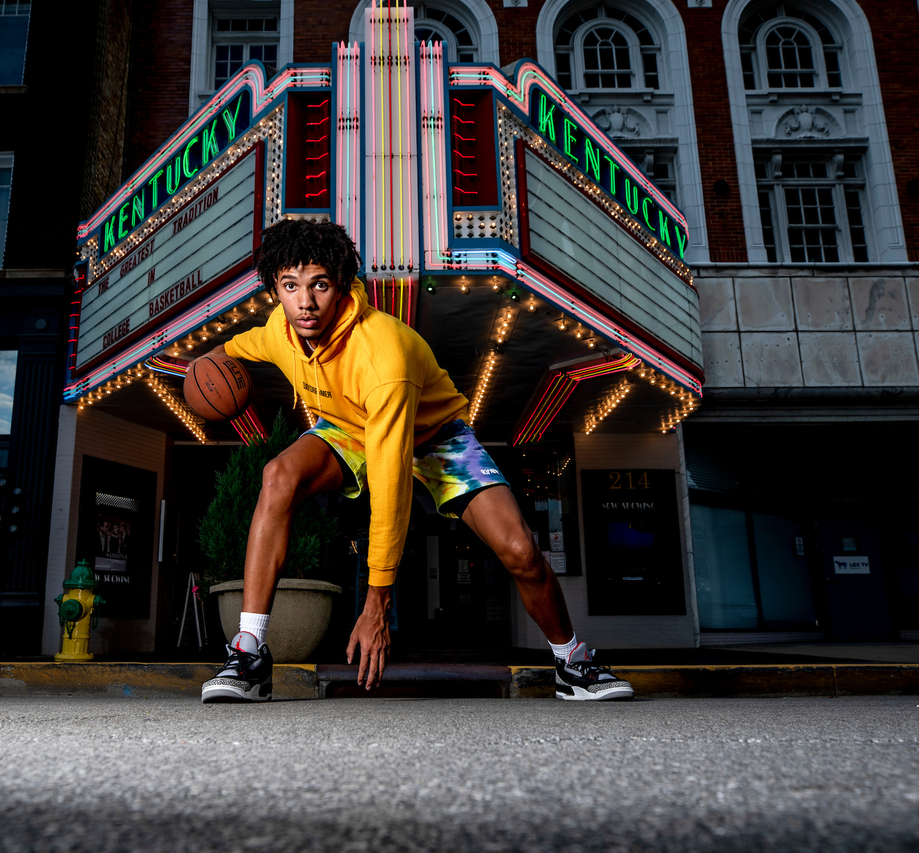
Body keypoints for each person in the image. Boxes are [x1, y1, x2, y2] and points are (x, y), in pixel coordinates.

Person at [198, 219, 632, 703]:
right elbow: (232, 349)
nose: (305, 302)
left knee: (521, 552)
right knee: (277, 475)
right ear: (275, 289)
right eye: (290, 285)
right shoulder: (279, 333)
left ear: (340, 284)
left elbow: (390, 488)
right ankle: (250, 652)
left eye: (319, 284)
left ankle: (572, 661)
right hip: (348, 429)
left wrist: (377, 601)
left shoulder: (383, 354)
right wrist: (205, 367)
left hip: (435, 437)